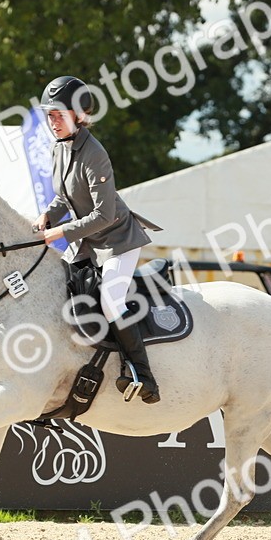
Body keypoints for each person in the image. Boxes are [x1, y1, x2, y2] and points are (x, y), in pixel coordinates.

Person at [32, 75, 163, 403]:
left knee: (110, 300)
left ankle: (142, 374)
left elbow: (103, 215)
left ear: (79, 115)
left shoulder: (95, 153)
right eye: (50, 115)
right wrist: (48, 215)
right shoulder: (59, 148)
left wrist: (60, 232)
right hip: (87, 242)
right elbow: (65, 196)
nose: (53, 122)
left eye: (60, 115)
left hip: (117, 240)